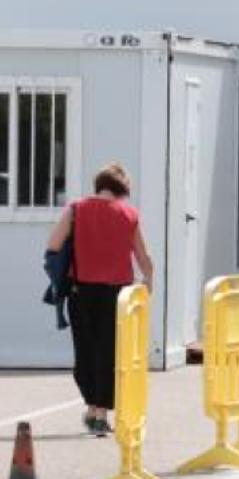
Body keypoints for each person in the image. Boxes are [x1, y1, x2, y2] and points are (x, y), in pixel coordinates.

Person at [46, 163, 154, 435]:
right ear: (122, 188)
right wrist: (148, 282)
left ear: (99, 184)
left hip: (81, 291)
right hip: (117, 294)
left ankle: (93, 408)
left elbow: (53, 246)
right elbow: (144, 257)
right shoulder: (130, 214)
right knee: (110, 353)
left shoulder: (76, 209)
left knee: (86, 351)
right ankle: (101, 413)